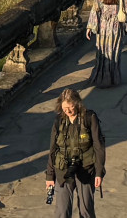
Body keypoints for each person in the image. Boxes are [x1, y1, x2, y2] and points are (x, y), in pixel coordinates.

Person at [46, 87, 106, 217]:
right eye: (64, 108)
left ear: (78, 104)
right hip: (63, 169)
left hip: (86, 169)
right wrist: (50, 176)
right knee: (62, 211)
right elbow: (53, 149)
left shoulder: (89, 118)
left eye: (71, 107)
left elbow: (98, 146)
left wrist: (99, 173)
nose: (67, 111)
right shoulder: (59, 121)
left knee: (86, 210)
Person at [87, 0, 127, 86]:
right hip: (116, 29)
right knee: (114, 53)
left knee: (102, 53)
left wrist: (90, 27)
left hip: (103, 28)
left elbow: (95, 11)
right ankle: (113, 78)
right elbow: (126, 12)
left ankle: (100, 77)